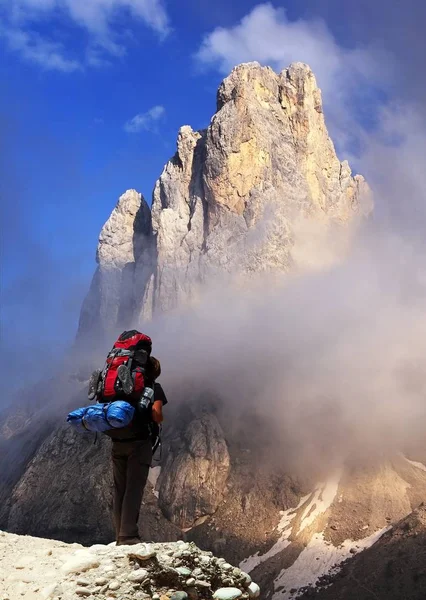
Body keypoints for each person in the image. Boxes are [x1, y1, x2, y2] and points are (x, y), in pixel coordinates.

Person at [111, 356, 168, 546]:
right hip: (140, 443)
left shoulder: (124, 388)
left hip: (118, 441)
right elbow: (156, 413)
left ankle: (119, 534)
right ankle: (128, 536)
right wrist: (159, 420)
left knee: (120, 488)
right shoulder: (154, 388)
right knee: (133, 489)